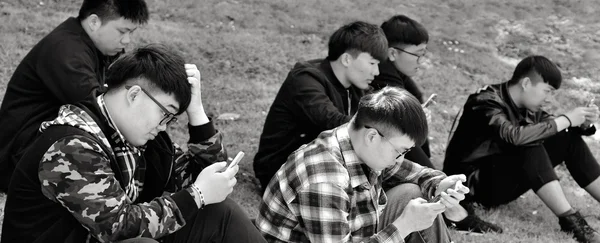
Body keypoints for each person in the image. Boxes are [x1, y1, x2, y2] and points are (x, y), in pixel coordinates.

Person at [1, 45, 266, 243]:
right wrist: (196, 195)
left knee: (221, 213)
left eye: (171, 119)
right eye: (165, 114)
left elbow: (205, 181)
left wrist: (196, 112)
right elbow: (116, 226)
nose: (164, 126)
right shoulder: (73, 144)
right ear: (135, 95)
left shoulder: (140, 136)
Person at [257, 87, 469, 243]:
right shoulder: (324, 181)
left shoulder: (357, 141)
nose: (401, 158)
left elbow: (414, 174)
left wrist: (440, 185)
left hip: (353, 234)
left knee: (410, 193)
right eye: (400, 150)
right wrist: (404, 225)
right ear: (372, 137)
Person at [443, 55, 600, 243]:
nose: (549, 99)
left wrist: (582, 124)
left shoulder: (526, 106)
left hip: (499, 178)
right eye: (547, 91)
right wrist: (566, 119)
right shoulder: (485, 100)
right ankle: (571, 221)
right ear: (526, 83)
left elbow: (551, 127)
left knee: (566, 137)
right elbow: (514, 136)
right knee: (527, 141)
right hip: (471, 186)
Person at [372, 14, 502, 234]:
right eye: (417, 55)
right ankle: (451, 211)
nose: (420, 62)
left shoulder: (398, 76)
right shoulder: (385, 81)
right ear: (392, 53)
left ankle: (446, 201)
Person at [0, 0, 149, 191]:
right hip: (19, 158)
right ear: (94, 22)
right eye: (122, 31)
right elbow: (102, 111)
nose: (127, 40)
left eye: (131, 33)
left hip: (40, 141)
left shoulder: (94, 46)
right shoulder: (66, 52)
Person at [253, 21, 388, 190]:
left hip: (323, 164)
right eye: (372, 63)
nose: (376, 72)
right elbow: (333, 122)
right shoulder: (305, 79)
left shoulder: (355, 87)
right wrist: (385, 124)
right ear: (346, 59)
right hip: (281, 169)